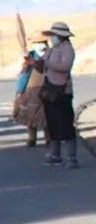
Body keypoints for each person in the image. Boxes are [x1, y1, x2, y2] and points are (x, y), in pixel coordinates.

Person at [38, 22, 77, 169]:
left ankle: (71, 157)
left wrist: (47, 63)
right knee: (52, 123)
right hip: (49, 89)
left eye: (54, 35)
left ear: (60, 36)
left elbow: (65, 66)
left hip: (63, 91)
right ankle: (55, 155)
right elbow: (43, 66)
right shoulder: (51, 50)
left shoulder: (68, 50)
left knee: (66, 124)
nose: (51, 38)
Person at [13, 31, 49, 147]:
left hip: (47, 88)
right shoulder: (30, 55)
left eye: (42, 42)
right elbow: (24, 74)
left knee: (46, 114)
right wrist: (20, 89)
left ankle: (48, 136)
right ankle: (32, 137)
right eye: (37, 42)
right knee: (30, 114)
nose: (40, 44)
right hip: (31, 89)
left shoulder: (50, 55)